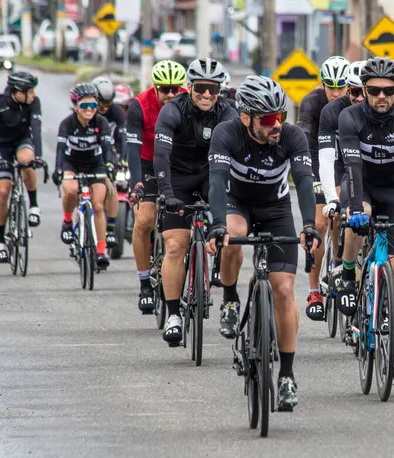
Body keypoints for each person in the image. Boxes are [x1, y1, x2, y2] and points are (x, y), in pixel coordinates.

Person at [206, 76, 320, 410]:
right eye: (268, 119)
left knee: (283, 290)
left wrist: (310, 225)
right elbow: (216, 181)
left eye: (280, 116)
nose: (277, 125)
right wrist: (216, 225)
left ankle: (286, 375)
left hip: (275, 208)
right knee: (231, 238)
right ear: (246, 118)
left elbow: (302, 180)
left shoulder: (292, 136)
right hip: (236, 203)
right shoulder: (226, 134)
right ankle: (229, 300)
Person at [337, 57, 394, 380]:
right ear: (364, 90)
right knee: (361, 216)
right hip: (362, 185)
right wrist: (357, 209)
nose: (381, 97)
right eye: (373, 90)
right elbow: (353, 167)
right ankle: (347, 276)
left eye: (388, 90)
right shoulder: (350, 117)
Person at [153, 58, 237, 345]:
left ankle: (228, 300)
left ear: (220, 90)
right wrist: (167, 193)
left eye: (213, 89)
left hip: (211, 174)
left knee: (228, 232)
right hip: (178, 178)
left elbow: (232, 158)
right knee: (176, 244)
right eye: (201, 87)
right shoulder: (172, 110)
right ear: (189, 87)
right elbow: (161, 155)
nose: (206, 94)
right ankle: (174, 314)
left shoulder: (228, 113)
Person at [126, 60, 187, 314]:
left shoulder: (188, 102)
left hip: (178, 164)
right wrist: (136, 182)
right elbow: (132, 147)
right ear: (155, 87)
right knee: (144, 221)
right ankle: (144, 284)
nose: (170, 95)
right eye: (165, 89)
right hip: (148, 163)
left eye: (175, 89)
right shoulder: (139, 105)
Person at [297, 55, 350, 321]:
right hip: (317, 161)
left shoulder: (354, 101)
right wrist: (313, 179)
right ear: (322, 83)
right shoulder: (311, 103)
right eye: (331, 86)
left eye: (342, 86)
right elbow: (305, 148)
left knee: (346, 214)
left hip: (344, 163)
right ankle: (314, 290)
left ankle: (341, 262)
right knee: (320, 223)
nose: (337, 92)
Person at [52, 83, 115, 269]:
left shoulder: (101, 122)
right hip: (72, 163)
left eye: (93, 106)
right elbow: (61, 149)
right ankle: (67, 221)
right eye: (85, 106)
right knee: (70, 191)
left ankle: (101, 251)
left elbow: (107, 147)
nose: (90, 110)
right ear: (76, 106)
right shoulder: (67, 124)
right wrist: (58, 170)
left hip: (95, 164)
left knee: (97, 205)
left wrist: (110, 165)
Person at [0, 71, 43, 263]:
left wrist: (40, 156)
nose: (33, 95)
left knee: (27, 159)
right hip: (2, 147)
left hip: (22, 141)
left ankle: (34, 206)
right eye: (30, 91)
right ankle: (1, 242)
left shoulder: (34, 103)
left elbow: (36, 129)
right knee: (3, 192)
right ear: (18, 92)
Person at [318, 60, 366, 273]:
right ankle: (338, 263)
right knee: (339, 212)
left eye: (367, 91)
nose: (361, 98)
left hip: (367, 166)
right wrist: (331, 199)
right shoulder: (332, 111)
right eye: (355, 91)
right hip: (341, 163)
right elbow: (327, 160)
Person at [92, 76, 127, 249]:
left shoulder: (117, 112)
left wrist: (122, 159)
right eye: (101, 104)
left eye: (108, 104)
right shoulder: (87, 111)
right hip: (88, 153)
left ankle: (111, 229)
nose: (104, 108)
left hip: (108, 152)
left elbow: (123, 137)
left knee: (111, 184)